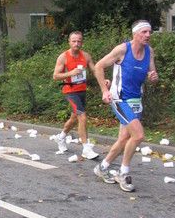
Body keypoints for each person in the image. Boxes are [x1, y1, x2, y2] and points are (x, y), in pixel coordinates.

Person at [93, 20, 159, 192]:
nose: (148, 35)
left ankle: (102, 167)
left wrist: (154, 77)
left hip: (136, 100)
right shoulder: (122, 50)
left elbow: (153, 74)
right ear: (134, 34)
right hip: (119, 99)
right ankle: (123, 173)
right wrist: (104, 91)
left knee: (124, 138)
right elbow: (99, 66)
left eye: (150, 32)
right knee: (138, 135)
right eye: (144, 32)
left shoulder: (149, 51)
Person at [52, 31, 100, 159]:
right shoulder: (63, 57)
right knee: (82, 117)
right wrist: (70, 73)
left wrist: (103, 80)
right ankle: (86, 149)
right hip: (70, 91)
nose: (76, 43)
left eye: (79, 41)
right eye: (74, 41)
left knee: (74, 118)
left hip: (82, 90)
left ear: (82, 42)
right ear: (69, 42)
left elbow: (95, 70)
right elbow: (55, 76)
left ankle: (60, 137)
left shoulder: (86, 56)